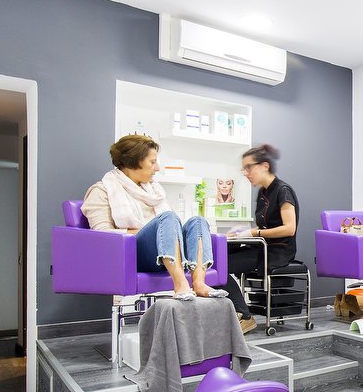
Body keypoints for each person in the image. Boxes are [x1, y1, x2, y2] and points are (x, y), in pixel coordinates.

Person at [80, 135, 227, 301]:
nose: (157, 168)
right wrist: (153, 231)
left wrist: (162, 231)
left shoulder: (153, 191)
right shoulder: (102, 190)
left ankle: (199, 283)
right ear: (132, 162)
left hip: (167, 252)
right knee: (168, 217)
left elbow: (170, 228)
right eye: (152, 162)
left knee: (198, 222)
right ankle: (180, 284)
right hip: (134, 255)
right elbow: (102, 234)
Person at [221, 144, 299, 334]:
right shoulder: (263, 192)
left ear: (264, 166)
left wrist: (254, 234)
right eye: (244, 169)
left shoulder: (283, 190)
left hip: (278, 251)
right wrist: (240, 233)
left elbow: (289, 228)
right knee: (219, 255)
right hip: (263, 247)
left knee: (220, 267)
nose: (246, 173)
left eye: (249, 167)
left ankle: (245, 316)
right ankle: (233, 314)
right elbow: (266, 226)